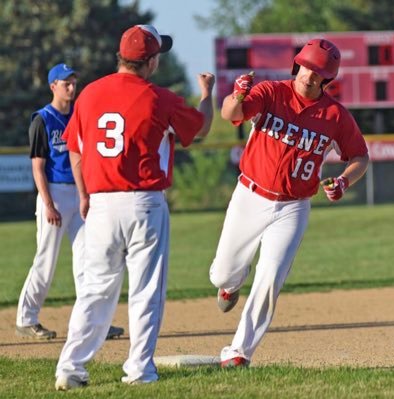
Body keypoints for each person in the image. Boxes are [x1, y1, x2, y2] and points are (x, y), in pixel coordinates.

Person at [55, 24, 215, 390]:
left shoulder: (90, 95)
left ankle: (70, 368)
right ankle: (139, 370)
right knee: (145, 292)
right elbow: (202, 128)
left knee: (94, 290)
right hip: (143, 203)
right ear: (152, 60)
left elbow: (76, 149)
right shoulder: (159, 97)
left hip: (99, 204)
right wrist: (206, 94)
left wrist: (83, 195)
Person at [209, 38, 369, 367]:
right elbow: (230, 114)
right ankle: (231, 283)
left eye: (318, 72)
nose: (309, 76)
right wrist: (237, 95)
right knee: (221, 275)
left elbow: (360, 157)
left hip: (293, 207)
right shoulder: (271, 92)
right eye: (306, 67)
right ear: (297, 65)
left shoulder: (334, 115)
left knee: (270, 281)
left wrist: (343, 181)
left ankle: (239, 352)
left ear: (328, 79)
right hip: (250, 195)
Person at [16, 63, 124, 341]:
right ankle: (26, 318)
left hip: (79, 193)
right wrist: (48, 204)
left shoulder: (79, 114)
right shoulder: (43, 119)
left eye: (74, 82)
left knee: (89, 259)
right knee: (46, 259)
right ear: (53, 86)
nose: (72, 87)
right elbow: (38, 167)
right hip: (53, 192)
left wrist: (87, 194)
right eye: (66, 83)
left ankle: (92, 321)